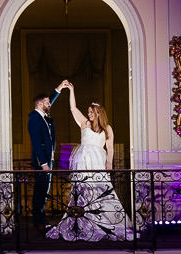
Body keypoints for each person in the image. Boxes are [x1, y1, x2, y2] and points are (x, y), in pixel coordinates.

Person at [47, 81, 134, 242]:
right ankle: (82, 223)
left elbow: (111, 148)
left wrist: (109, 163)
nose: (89, 113)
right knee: (82, 191)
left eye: (91, 111)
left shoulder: (107, 128)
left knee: (100, 190)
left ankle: (104, 222)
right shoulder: (84, 123)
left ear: (98, 112)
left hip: (97, 162)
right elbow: (73, 108)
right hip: (83, 161)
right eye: (88, 111)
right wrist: (71, 90)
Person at [27, 82, 64, 233]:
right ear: (41, 103)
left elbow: (50, 102)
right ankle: (39, 221)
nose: (50, 104)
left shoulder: (43, 116)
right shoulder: (35, 118)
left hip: (48, 160)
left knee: (43, 191)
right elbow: (36, 143)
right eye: (48, 101)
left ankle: (41, 219)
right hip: (41, 162)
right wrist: (43, 164)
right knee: (40, 191)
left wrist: (59, 88)